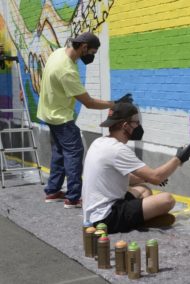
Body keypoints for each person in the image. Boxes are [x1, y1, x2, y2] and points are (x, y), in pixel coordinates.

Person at [37, 32, 132, 208]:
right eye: (92, 52)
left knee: (59, 153)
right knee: (74, 154)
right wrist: (115, 104)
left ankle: (52, 191)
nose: (91, 56)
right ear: (84, 47)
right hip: (61, 118)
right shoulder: (67, 71)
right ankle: (73, 197)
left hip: (48, 113)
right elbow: (88, 103)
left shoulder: (58, 53)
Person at [82, 102, 190, 233]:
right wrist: (178, 159)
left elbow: (128, 178)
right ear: (125, 126)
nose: (138, 126)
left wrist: (145, 179)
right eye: (135, 122)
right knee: (167, 200)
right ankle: (136, 221)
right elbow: (156, 178)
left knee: (143, 190)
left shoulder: (99, 142)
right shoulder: (117, 150)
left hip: (93, 213)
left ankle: (137, 219)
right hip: (106, 218)